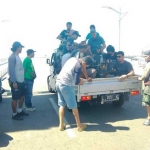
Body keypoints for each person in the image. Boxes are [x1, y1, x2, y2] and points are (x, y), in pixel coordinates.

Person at [56, 56, 93, 132]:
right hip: (66, 85)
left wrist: (86, 77)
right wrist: (80, 81)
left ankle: (61, 125)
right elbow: (76, 82)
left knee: (62, 105)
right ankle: (79, 126)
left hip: (58, 82)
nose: (85, 68)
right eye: (86, 66)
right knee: (74, 106)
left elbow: (69, 72)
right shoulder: (79, 67)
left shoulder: (73, 59)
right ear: (85, 63)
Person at [8, 41, 28, 120]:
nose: (21, 48)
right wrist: (14, 82)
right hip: (16, 82)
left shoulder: (18, 56)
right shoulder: (12, 57)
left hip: (21, 81)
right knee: (15, 98)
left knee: (22, 96)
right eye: (21, 47)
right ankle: (14, 114)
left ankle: (20, 111)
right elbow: (11, 70)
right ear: (17, 47)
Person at [138, 50, 150, 125]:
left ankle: (149, 118)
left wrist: (140, 78)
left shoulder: (149, 64)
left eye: (146, 56)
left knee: (147, 102)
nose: (145, 58)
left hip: (149, 86)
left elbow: (145, 74)